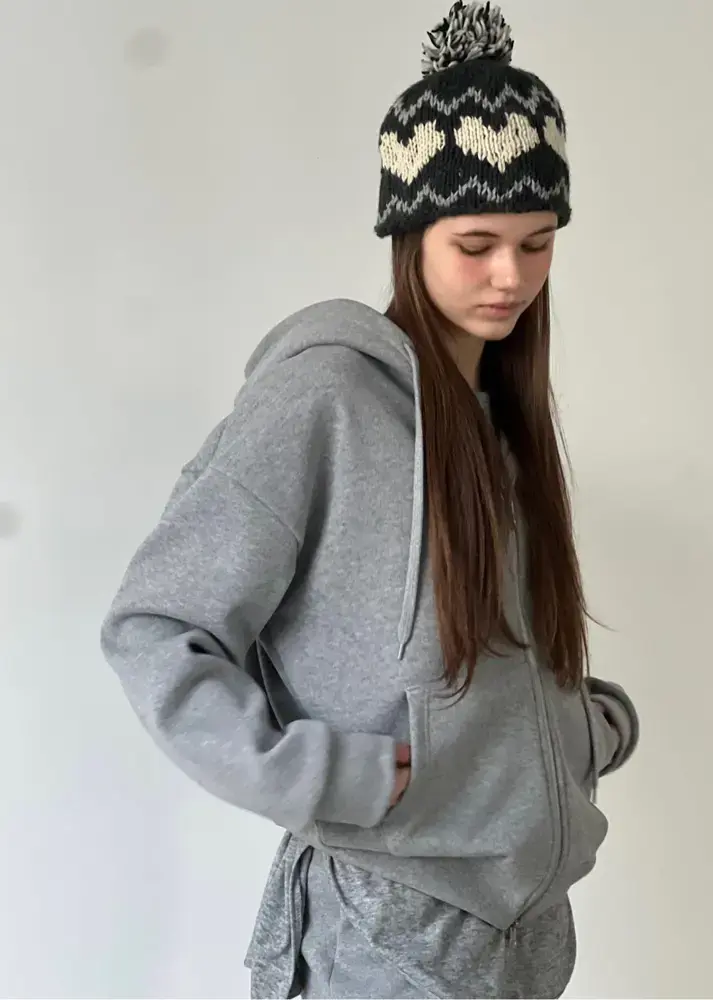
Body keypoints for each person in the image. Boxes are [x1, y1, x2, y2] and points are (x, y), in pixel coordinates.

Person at [100, 2, 640, 997]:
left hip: (527, 936)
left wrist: (580, 731)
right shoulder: (326, 397)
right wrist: (320, 775)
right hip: (382, 936)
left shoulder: (501, 422)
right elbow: (155, 627)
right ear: (409, 232)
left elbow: (500, 655)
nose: (510, 276)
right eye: (475, 242)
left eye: (536, 243)